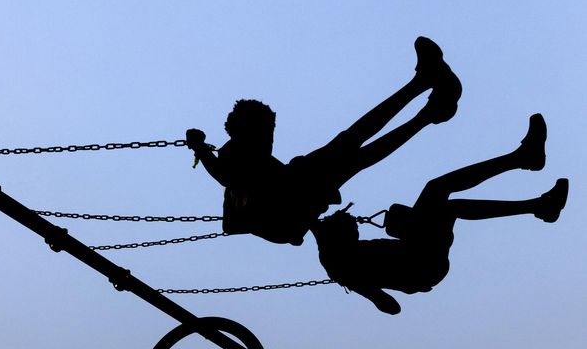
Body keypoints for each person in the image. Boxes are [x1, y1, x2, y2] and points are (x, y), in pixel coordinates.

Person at [186, 36, 461, 245]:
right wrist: (200, 147)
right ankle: (423, 88)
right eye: (266, 131)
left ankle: (428, 109)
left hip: (297, 195)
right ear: (245, 130)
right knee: (352, 142)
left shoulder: (248, 155)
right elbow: (224, 175)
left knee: (358, 151)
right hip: (296, 193)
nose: (270, 139)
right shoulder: (236, 153)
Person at [311, 114, 569, 314]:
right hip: (422, 264)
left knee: (443, 202)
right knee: (436, 191)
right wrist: (368, 289)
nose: (356, 225)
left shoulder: (341, 255)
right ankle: (525, 166)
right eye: (348, 225)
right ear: (336, 236)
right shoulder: (339, 264)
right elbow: (390, 306)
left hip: (420, 256)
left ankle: (535, 193)